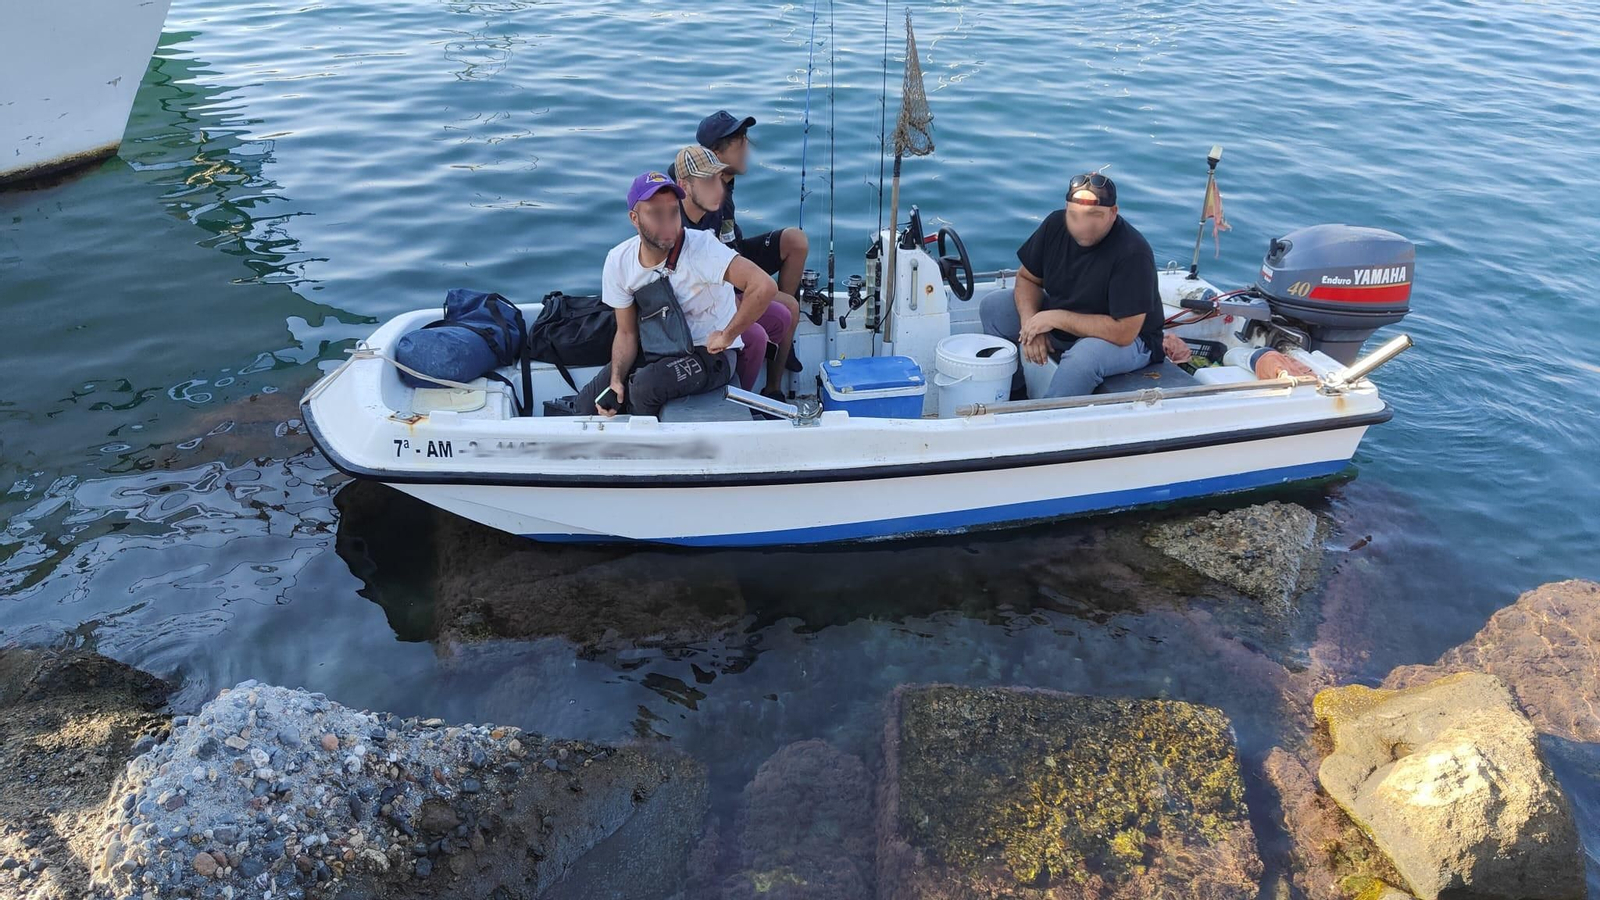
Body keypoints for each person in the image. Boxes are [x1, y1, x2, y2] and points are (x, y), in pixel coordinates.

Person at [574, 171, 776, 418]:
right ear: (634, 218)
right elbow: (626, 332)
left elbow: (763, 286)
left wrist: (727, 335)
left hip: (710, 354)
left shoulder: (703, 247)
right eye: (656, 214)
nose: (668, 223)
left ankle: (648, 446)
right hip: (657, 346)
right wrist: (616, 379)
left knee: (644, 387)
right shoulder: (619, 261)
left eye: (673, 212)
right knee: (585, 406)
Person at [978, 172, 1165, 398]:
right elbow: (1027, 278)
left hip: (1129, 339)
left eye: (1094, 215)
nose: (1083, 225)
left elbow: (1124, 331)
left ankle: (1047, 421)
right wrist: (1031, 325)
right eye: (1074, 215)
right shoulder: (1055, 225)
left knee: (1083, 359)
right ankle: (1014, 393)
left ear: (1113, 213)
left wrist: (1054, 318)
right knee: (993, 307)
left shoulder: (1133, 252)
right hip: (1066, 319)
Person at [673, 110, 807, 392]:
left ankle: (781, 350)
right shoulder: (695, 197)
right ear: (714, 153)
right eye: (738, 140)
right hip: (718, 274)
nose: (747, 146)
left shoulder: (725, 181)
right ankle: (772, 386)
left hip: (733, 250)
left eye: (745, 137)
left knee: (796, 241)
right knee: (789, 308)